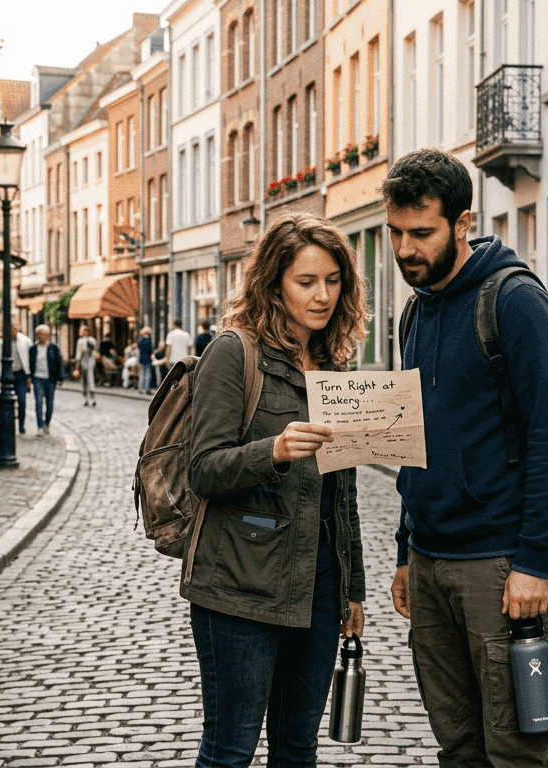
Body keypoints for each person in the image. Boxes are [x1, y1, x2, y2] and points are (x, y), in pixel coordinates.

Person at [384, 148, 548, 767]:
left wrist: (532, 563)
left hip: (499, 567)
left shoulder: (515, 302)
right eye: (395, 233)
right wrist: (404, 550)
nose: (405, 249)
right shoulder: (416, 310)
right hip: (431, 560)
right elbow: (412, 437)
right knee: (458, 747)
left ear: (462, 224)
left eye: (421, 233)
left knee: (519, 748)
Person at [185, 213, 369, 768]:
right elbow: (203, 468)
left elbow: (345, 495)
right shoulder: (232, 352)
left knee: (297, 748)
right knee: (229, 749)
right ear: (273, 282)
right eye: (306, 282)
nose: (322, 296)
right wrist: (274, 451)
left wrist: (351, 588)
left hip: (317, 586)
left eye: (333, 281)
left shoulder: (335, 367)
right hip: (239, 582)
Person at [28, 324, 63, 435]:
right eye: (39, 334)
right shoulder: (33, 349)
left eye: (44, 334)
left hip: (50, 379)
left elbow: (59, 363)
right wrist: (29, 377)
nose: (41, 336)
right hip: (38, 378)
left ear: (47, 335)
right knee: (38, 402)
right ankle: (39, 426)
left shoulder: (53, 348)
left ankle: (47, 424)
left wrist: (60, 378)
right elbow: (30, 363)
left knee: (49, 403)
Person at [12, 329, 33, 434]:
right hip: (9, 374)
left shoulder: (26, 341)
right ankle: (10, 425)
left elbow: (31, 358)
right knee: (8, 403)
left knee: (22, 401)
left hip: (21, 374)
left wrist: (29, 375)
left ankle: (21, 425)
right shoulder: (3, 341)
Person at [74, 325, 99, 406]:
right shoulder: (80, 341)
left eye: (83, 330)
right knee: (84, 380)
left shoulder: (92, 340)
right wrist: (77, 366)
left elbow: (95, 350)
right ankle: (86, 399)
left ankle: (92, 398)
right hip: (83, 361)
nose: (82, 332)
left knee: (90, 379)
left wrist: (94, 354)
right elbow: (78, 353)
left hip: (90, 360)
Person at [137, 327, 155, 394]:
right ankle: (147, 389)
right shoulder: (150, 340)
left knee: (142, 374)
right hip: (148, 358)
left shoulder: (140, 340)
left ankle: (140, 388)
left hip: (141, 358)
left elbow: (139, 347)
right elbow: (151, 350)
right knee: (148, 374)